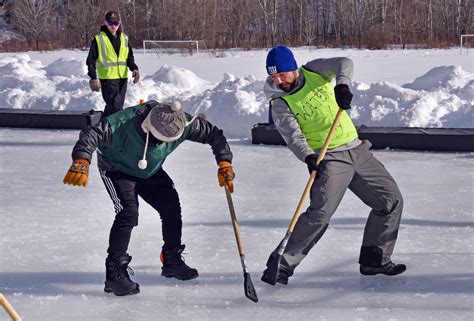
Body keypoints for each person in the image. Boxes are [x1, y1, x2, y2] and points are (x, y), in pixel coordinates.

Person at [261, 46, 406, 285]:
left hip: (357, 149)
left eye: (282, 74)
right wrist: (308, 157)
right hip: (329, 157)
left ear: (294, 68)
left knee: (390, 201)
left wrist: (342, 85)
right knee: (320, 214)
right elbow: (292, 136)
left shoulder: (315, 71)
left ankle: (375, 260)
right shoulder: (280, 101)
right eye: (273, 76)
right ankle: (281, 265)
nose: (278, 80)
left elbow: (344, 62)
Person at [63, 100, 235, 296]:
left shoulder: (183, 122)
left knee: (171, 207)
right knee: (128, 213)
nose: (161, 144)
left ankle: (171, 260)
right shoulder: (122, 123)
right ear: (147, 127)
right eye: (157, 139)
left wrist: (224, 162)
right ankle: (115, 273)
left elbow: (214, 134)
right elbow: (91, 134)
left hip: (149, 171)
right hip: (116, 168)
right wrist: (82, 158)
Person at [86, 10, 140, 118]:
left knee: (115, 107)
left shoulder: (124, 38)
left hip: (122, 79)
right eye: (110, 24)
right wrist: (93, 77)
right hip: (108, 79)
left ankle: (103, 127)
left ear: (119, 23)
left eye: (115, 23)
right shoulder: (99, 39)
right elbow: (90, 60)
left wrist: (134, 68)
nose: (113, 26)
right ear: (105, 23)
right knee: (116, 107)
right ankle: (113, 131)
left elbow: (129, 57)